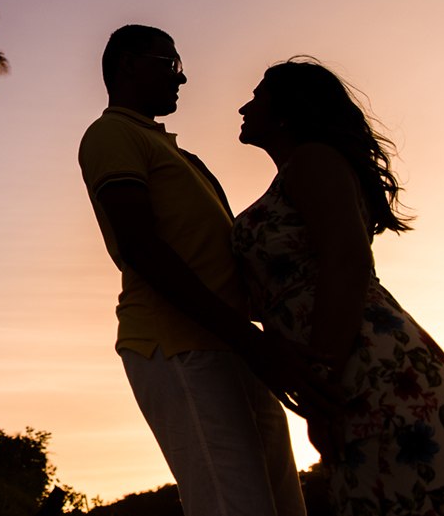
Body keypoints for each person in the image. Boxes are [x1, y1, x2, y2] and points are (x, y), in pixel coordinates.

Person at [78, 25, 332, 516]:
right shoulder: (112, 134)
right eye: (170, 64)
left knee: (283, 505)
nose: (183, 77)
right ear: (129, 64)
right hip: (177, 344)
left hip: (234, 342)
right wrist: (250, 339)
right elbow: (140, 247)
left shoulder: (176, 154)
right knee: (232, 503)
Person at [232, 57, 444, 515]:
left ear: (285, 107)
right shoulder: (298, 171)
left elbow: (348, 262)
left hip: (363, 361)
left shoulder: (313, 159)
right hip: (344, 363)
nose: (244, 106)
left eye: (258, 94)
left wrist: (320, 386)